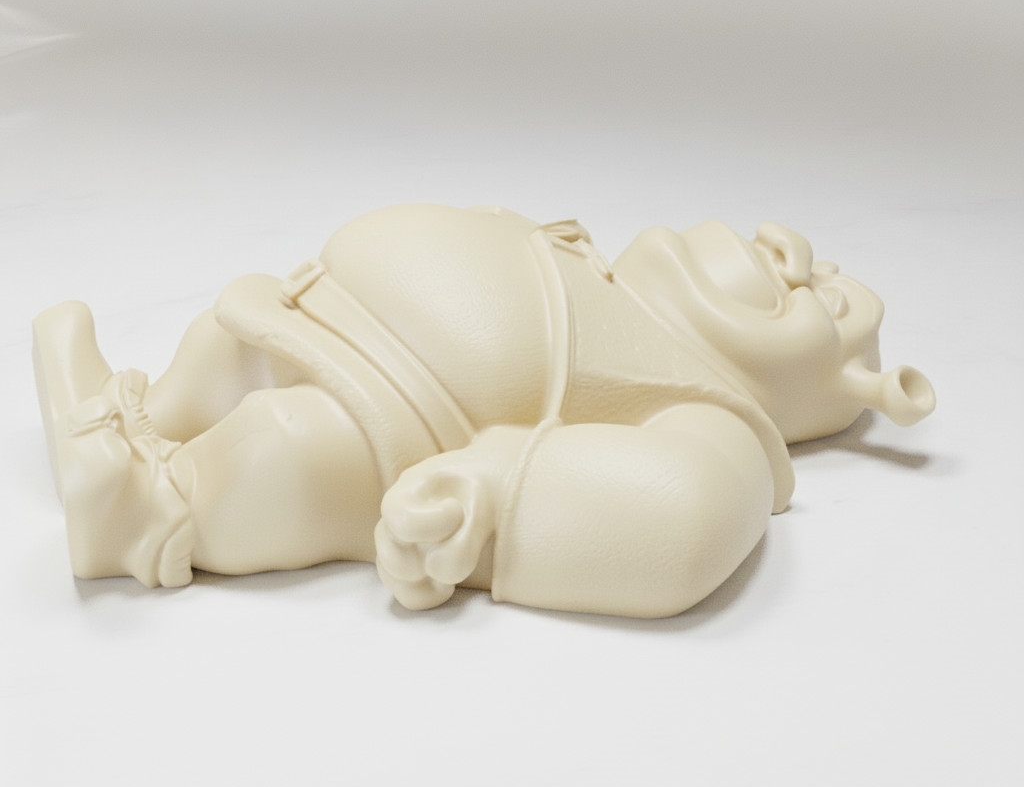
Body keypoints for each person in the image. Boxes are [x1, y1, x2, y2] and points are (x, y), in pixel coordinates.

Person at [32, 204, 935, 618]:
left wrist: (488, 496)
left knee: (285, 448)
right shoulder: (603, 268)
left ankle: (145, 508)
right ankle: (138, 415)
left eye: (822, 297)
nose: (788, 247)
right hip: (311, 318)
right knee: (217, 350)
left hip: (391, 421)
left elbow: (686, 513)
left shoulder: (711, 410)